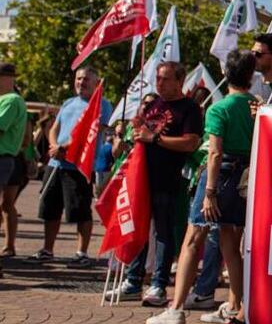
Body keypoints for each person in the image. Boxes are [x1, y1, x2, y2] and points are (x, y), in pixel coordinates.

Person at [147, 50, 257, 324]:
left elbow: (215, 152)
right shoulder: (257, 106)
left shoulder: (219, 109)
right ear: (251, 75)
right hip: (245, 176)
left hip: (221, 176)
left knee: (192, 238)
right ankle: (236, 304)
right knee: (230, 240)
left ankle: (177, 308)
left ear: (226, 73)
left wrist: (208, 191)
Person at [116, 62, 204, 306]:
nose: (160, 83)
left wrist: (154, 138)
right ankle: (133, 280)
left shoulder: (189, 109)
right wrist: (136, 130)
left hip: (167, 179)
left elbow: (190, 143)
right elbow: (142, 135)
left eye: (166, 79)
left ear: (179, 81)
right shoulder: (154, 105)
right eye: (158, 78)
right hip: (143, 178)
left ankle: (159, 284)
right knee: (139, 229)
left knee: (164, 233)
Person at [33, 67, 112, 267]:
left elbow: (91, 134)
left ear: (96, 82)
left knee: (80, 211)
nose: (81, 82)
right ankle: (47, 249)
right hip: (55, 163)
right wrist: (54, 146)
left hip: (79, 166)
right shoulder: (68, 102)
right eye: (78, 78)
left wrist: (64, 147)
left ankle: (81, 253)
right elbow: (55, 128)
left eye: (86, 79)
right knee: (50, 208)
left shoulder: (102, 105)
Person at [0, 62, 28, 264]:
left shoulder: (11, 100)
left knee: (6, 205)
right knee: (6, 205)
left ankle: (9, 246)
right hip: (8, 158)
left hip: (4, 157)